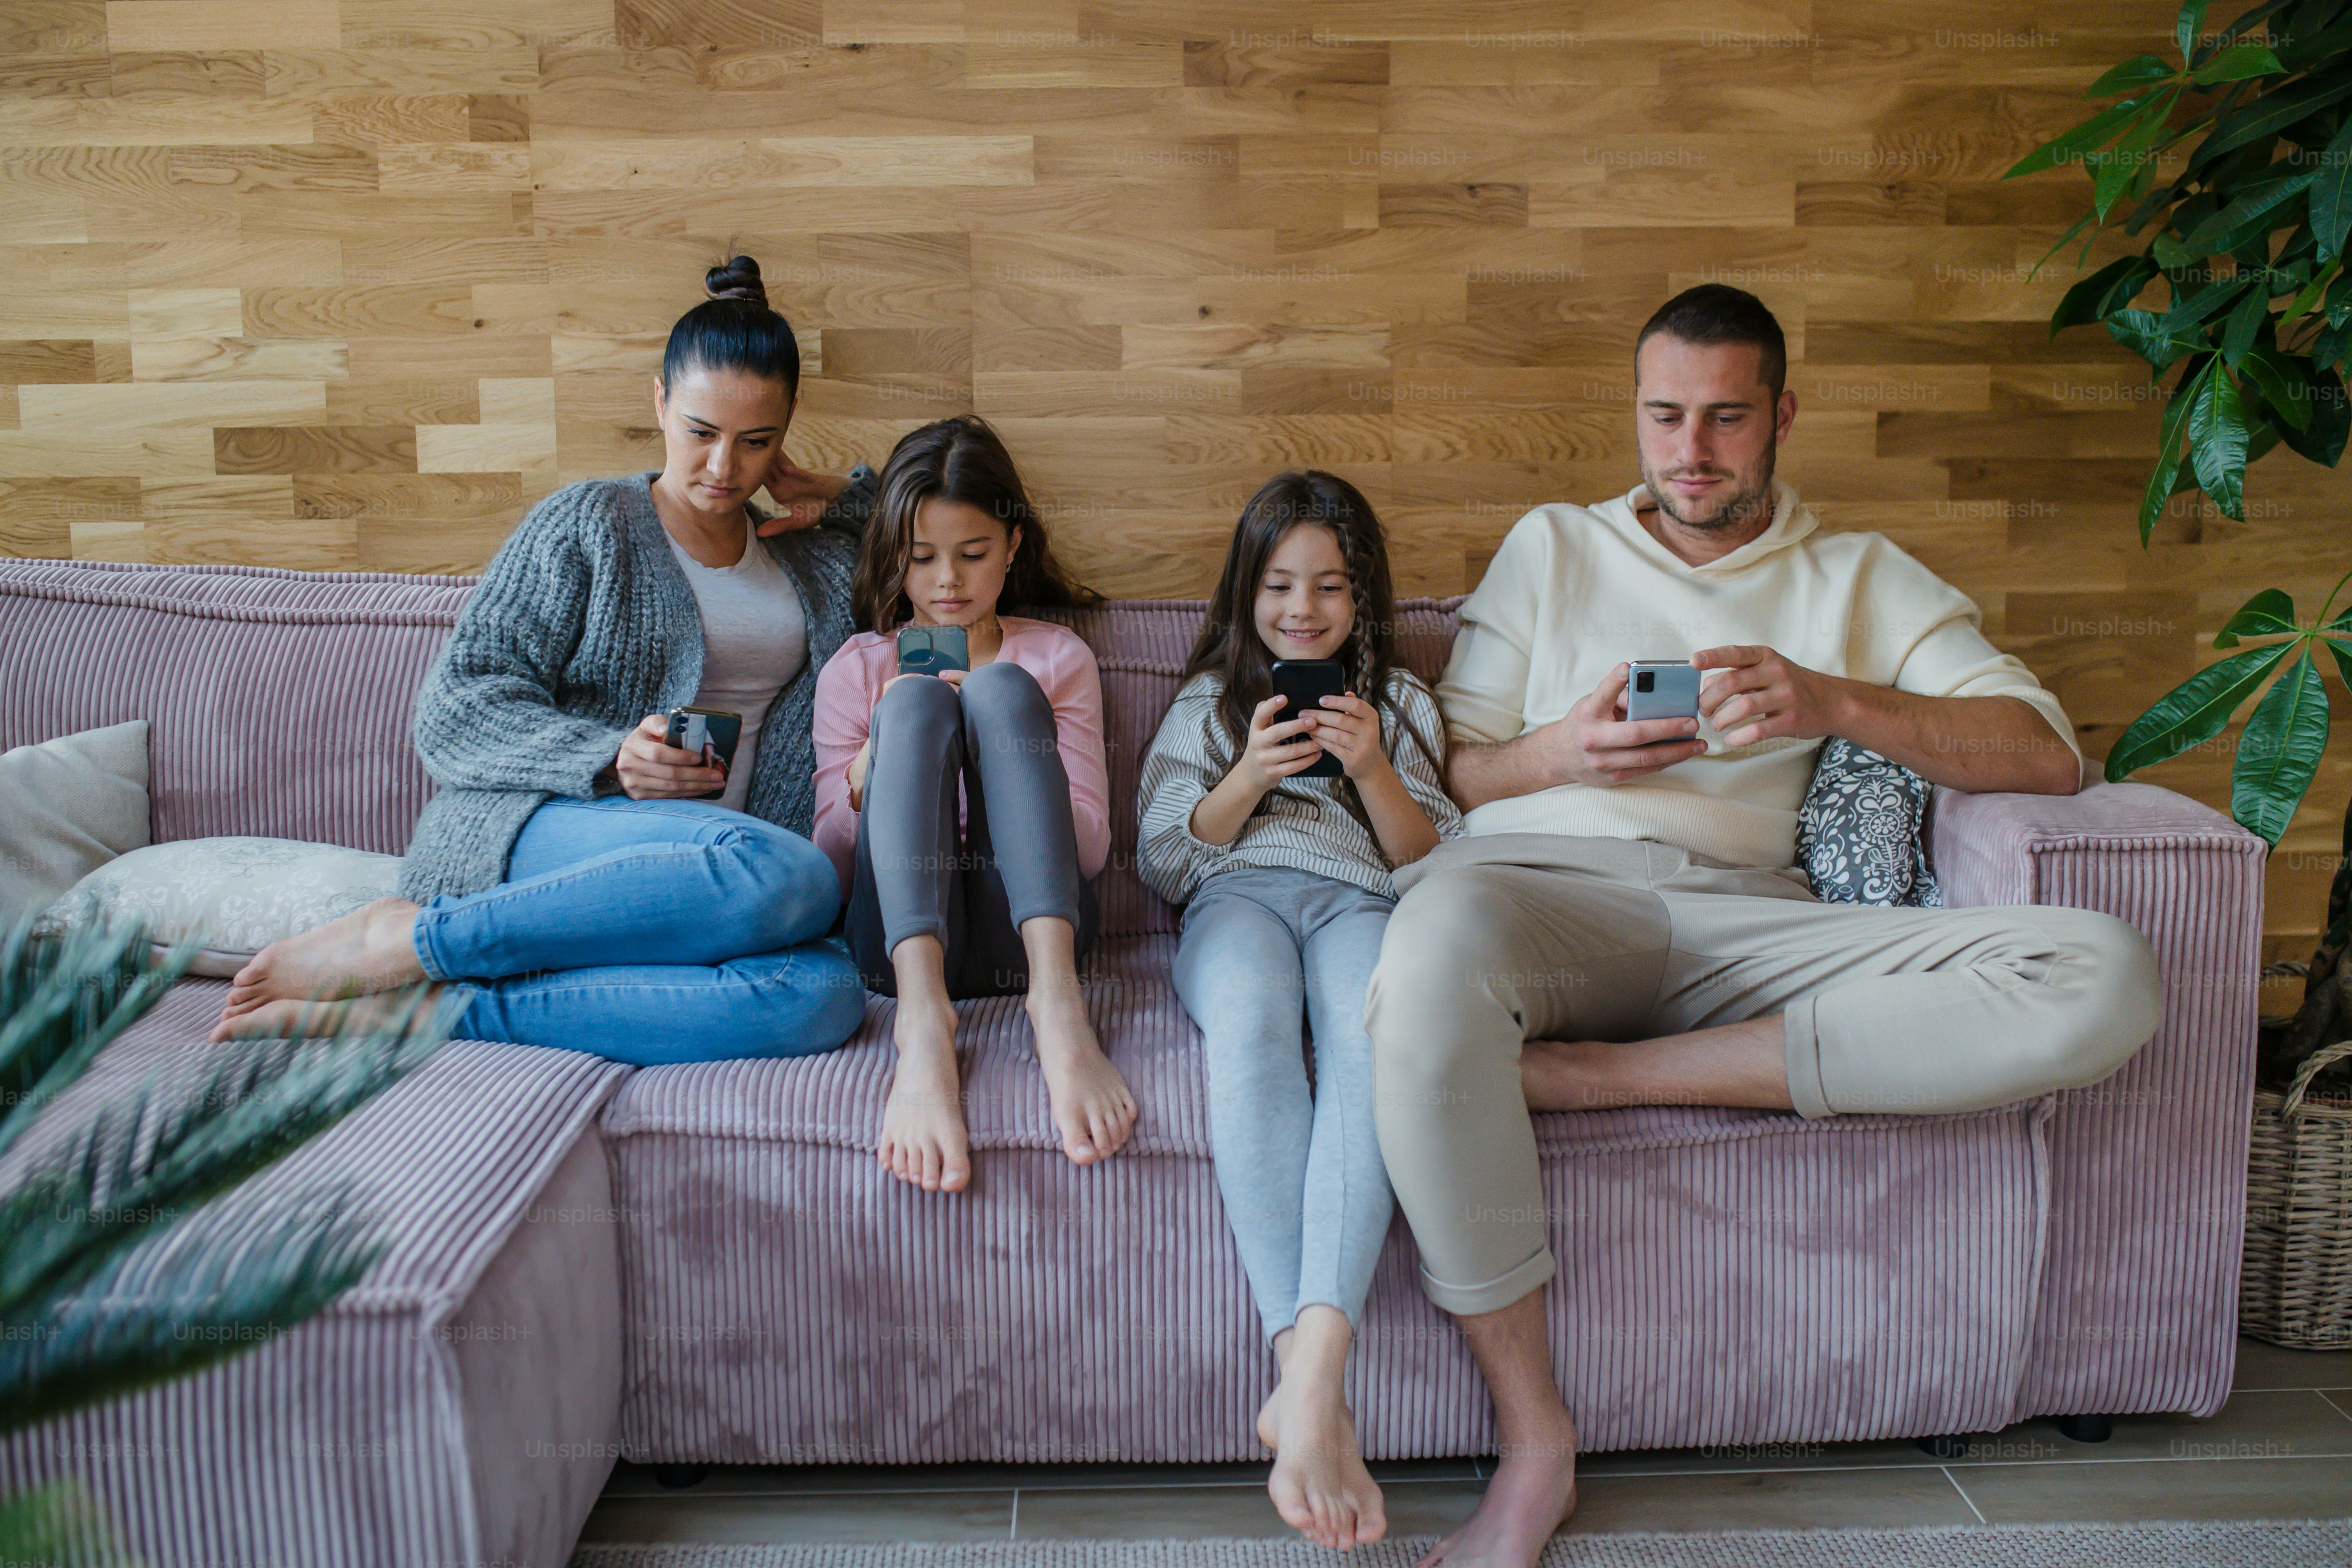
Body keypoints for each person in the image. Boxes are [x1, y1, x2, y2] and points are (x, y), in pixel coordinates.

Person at [1366, 284, 2163, 1568]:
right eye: (1664, 416)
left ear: (1781, 413)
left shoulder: (1856, 573)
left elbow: (2046, 753)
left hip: (1749, 926)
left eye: (1726, 418)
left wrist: (1832, 700)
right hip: (1538, 894)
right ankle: (1533, 1445)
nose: (1689, 451)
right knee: (1423, 955)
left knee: (2102, 973)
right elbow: (1443, 776)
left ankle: (1588, 1079)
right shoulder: (1550, 546)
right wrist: (1559, 751)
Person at [212, 256, 876, 1064]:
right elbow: (455, 709)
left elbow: (947, 553)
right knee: (798, 877)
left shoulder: (814, 562)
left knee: (822, 996)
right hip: (553, 832)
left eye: (755, 442)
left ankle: (431, 1015)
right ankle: (419, 939)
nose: (722, 469)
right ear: (659, 401)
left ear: (787, 429)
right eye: (700, 432)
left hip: (708, 891)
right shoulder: (587, 524)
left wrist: (843, 496)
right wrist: (610, 760)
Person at [1137, 471, 1461, 1551]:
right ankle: (1310, 1381)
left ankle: (1307, 1383)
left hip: (1364, 902)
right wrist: (1243, 777)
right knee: (1253, 1020)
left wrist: (1371, 767)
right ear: (1246, 596)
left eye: (1329, 588)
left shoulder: (1404, 708)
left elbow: (1436, 868)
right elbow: (1166, 863)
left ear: (1363, 602)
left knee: (1377, 1031)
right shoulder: (1203, 706)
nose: (1303, 611)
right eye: (1280, 587)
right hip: (1236, 899)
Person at [812, 414, 1135, 1193]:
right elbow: (830, 863)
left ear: (1014, 546)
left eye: (973, 554)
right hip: (897, 945)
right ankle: (924, 1030)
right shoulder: (856, 669)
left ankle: (1059, 1016)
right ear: (895, 557)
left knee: (998, 688)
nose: (946, 582)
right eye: (921, 559)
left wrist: (1005, 745)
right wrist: (873, 769)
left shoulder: (1055, 658)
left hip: (1026, 941)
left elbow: (1091, 848)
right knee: (915, 706)